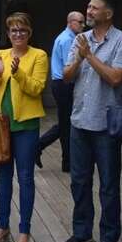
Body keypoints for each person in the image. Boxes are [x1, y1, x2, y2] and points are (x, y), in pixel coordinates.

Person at [62, 0, 122, 242]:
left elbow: (117, 78)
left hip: (107, 125)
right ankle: (81, 231)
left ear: (108, 14)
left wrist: (89, 56)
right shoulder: (81, 40)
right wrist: (80, 57)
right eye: (88, 6)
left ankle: (109, 237)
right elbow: (67, 76)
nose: (89, 12)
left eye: (94, 8)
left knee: (108, 185)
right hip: (79, 121)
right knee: (79, 182)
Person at [0, 12, 47, 242]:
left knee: (26, 179)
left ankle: (24, 231)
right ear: (8, 33)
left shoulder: (38, 55)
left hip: (26, 128)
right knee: (2, 178)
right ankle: (2, 227)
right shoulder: (1, 55)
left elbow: (37, 88)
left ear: (29, 33)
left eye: (22, 30)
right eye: (13, 30)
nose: (17, 34)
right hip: (2, 126)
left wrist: (18, 72)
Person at [36, 10, 85, 172]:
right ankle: (65, 161)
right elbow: (69, 67)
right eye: (80, 22)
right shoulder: (67, 40)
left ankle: (44, 148)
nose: (83, 25)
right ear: (70, 22)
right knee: (66, 124)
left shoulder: (69, 38)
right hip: (64, 84)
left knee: (66, 122)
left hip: (62, 84)